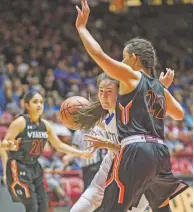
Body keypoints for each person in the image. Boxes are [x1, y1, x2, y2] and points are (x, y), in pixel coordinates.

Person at [75, 1, 189, 212]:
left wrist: (82, 28)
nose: (122, 61)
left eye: (124, 57)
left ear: (134, 59)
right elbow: (179, 114)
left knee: (111, 208)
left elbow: (99, 56)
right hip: (160, 152)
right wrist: (161, 89)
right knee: (162, 208)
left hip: (136, 150)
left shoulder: (131, 75)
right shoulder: (157, 87)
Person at [71, 70, 174, 212]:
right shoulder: (106, 112)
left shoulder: (129, 115)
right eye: (101, 91)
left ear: (119, 93)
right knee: (80, 207)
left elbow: (134, 151)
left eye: (108, 91)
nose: (103, 96)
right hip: (111, 164)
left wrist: (161, 87)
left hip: (136, 167)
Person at [1, 91, 92, 212]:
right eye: (35, 102)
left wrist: (80, 153)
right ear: (27, 105)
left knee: (43, 205)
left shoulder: (46, 125)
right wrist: (6, 170)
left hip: (35, 166)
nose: (39, 105)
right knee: (32, 206)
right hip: (18, 166)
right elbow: (3, 146)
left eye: (41, 102)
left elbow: (59, 145)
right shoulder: (20, 122)